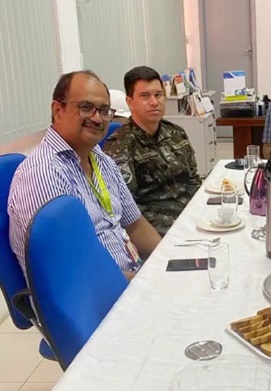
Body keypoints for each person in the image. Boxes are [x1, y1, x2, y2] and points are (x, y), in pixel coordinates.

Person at [8, 70, 161, 281]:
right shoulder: (44, 173)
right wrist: (146, 283)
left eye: (104, 110)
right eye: (86, 108)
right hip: (90, 301)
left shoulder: (100, 158)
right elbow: (72, 272)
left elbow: (136, 224)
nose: (97, 118)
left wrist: (168, 260)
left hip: (127, 278)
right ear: (57, 110)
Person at [103, 66, 202, 235]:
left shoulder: (176, 133)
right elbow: (129, 210)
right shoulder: (119, 147)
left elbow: (193, 180)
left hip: (193, 217)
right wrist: (181, 226)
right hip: (160, 231)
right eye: (144, 96)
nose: (154, 102)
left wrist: (202, 211)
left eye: (158, 95)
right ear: (129, 102)